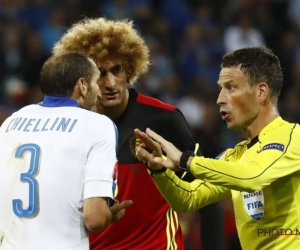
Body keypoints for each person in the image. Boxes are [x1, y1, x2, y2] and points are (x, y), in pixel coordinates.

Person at [52, 17, 224, 250]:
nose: (111, 82)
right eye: (100, 73)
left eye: (117, 70)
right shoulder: (71, 126)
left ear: (130, 69)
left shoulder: (164, 119)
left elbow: (208, 194)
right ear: (83, 80)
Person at [135, 46, 300, 250]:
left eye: (231, 87)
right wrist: (158, 169)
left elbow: (253, 177)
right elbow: (188, 198)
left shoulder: (293, 137)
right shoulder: (235, 156)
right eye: (221, 88)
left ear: (261, 92)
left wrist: (186, 160)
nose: (220, 99)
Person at [0, 52, 132, 250]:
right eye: (97, 81)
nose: (99, 92)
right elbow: (94, 218)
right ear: (82, 85)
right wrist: (108, 215)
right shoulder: (97, 125)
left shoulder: (11, 122)